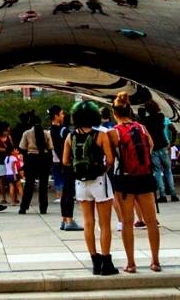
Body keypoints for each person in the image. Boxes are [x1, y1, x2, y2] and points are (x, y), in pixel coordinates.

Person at [64, 101, 118, 276]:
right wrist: (102, 169)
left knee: (88, 223)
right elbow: (110, 160)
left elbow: (65, 161)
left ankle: (94, 261)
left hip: (80, 183)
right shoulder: (100, 135)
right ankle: (106, 262)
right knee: (104, 224)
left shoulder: (70, 136)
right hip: (99, 181)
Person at [109, 92, 160, 273]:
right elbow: (151, 146)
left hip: (125, 179)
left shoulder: (113, 132)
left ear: (114, 113)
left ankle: (131, 263)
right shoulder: (142, 128)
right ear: (130, 110)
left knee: (127, 222)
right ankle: (155, 261)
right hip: (144, 177)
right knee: (151, 221)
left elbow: (109, 158)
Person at [48, 105, 81, 231]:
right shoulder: (63, 131)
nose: (63, 116)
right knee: (69, 192)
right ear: (56, 116)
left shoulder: (51, 130)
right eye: (61, 113)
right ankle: (69, 220)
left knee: (64, 192)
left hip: (59, 163)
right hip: (68, 163)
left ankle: (64, 219)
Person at [142, 100, 177, 203]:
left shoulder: (146, 120)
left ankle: (162, 195)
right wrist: (173, 142)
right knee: (168, 170)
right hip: (163, 146)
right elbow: (173, 129)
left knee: (157, 171)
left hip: (153, 147)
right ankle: (173, 194)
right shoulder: (161, 117)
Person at [18, 113, 53, 214]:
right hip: (43, 159)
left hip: (31, 159)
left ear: (30, 123)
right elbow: (50, 147)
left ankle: (24, 207)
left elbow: (22, 148)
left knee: (29, 184)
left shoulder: (27, 133)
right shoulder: (46, 133)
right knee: (43, 185)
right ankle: (43, 208)